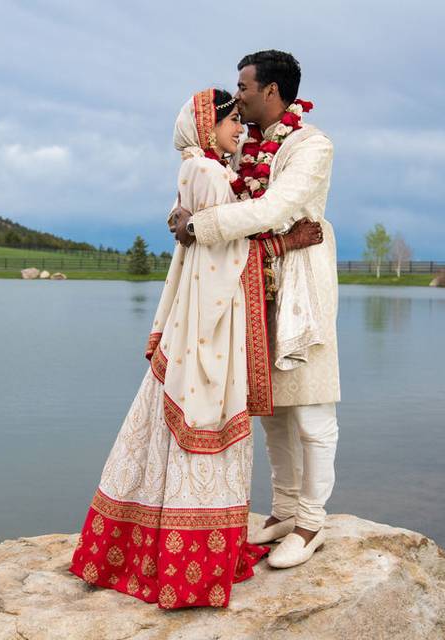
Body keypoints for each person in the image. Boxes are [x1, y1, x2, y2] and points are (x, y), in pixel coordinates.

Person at [68, 87, 324, 609]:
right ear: (207, 129)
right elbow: (224, 250)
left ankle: (149, 543)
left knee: (166, 428)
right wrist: (284, 242)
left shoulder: (200, 169)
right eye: (231, 121)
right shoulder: (208, 172)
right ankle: (191, 563)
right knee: (206, 417)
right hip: (214, 318)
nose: (239, 129)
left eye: (240, 116)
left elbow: (206, 232)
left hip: (202, 315)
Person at [170, 50, 341, 570]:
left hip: (297, 293)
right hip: (248, 288)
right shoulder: (242, 144)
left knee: (311, 410)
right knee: (271, 412)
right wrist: (184, 210)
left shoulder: (312, 146)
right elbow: (208, 187)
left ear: (272, 91)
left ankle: (313, 521)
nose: (235, 94)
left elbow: (276, 209)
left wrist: (200, 227)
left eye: (243, 86)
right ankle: (285, 510)